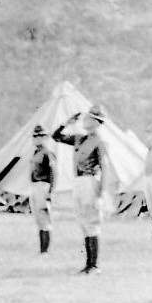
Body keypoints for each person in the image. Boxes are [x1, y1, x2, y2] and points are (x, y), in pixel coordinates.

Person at [51, 106, 112, 274]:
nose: (84, 120)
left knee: (92, 222)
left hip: (90, 181)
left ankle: (94, 265)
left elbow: (105, 167)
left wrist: (101, 193)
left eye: (89, 118)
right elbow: (56, 136)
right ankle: (88, 264)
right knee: (83, 222)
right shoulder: (79, 138)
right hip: (78, 182)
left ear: (96, 122)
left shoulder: (100, 142)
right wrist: (67, 123)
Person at [29, 125, 56, 254]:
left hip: (43, 185)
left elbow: (53, 173)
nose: (36, 138)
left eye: (39, 136)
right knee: (39, 219)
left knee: (44, 219)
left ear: (45, 137)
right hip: (35, 186)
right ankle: (42, 250)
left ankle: (45, 250)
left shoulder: (48, 153)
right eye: (35, 136)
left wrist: (50, 192)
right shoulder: (35, 152)